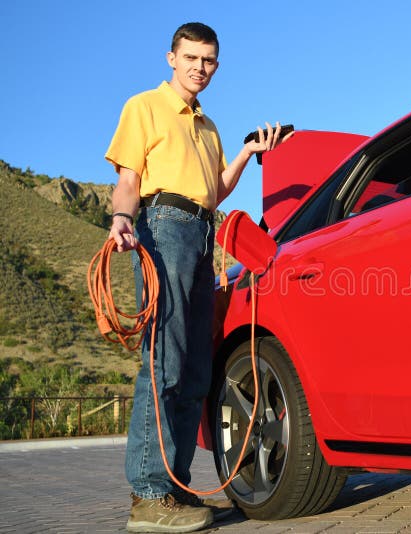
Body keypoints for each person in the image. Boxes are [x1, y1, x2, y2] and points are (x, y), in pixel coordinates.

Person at [105, 22, 290, 533]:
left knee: (193, 372)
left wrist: (248, 155)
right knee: (164, 360)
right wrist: (122, 219)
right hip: (162, 226)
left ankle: (175, 486)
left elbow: (213, 192)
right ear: (171, 58)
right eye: (191, 57)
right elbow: (127, 182)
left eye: (208, 60)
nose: (199, 68)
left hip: (203, 234)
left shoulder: (209, 128)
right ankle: (147, 497)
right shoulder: (143, 106)